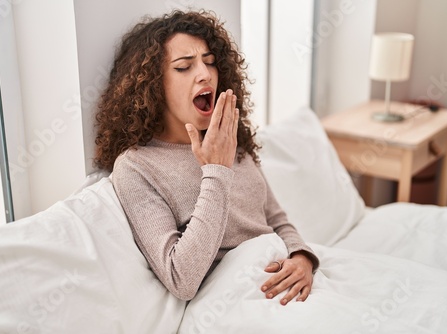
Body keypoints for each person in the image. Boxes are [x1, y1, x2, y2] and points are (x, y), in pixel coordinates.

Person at [94, 10, 319, 305]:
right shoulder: (137, 167)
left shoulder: (227, 136)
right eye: (184, 67)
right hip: (238, 301)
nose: (205, 74)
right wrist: (216, 170)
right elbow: (181, 278)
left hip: (289, 286)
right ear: (152, 85)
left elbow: (276, 219)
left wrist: (302, 259)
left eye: (210, 62)